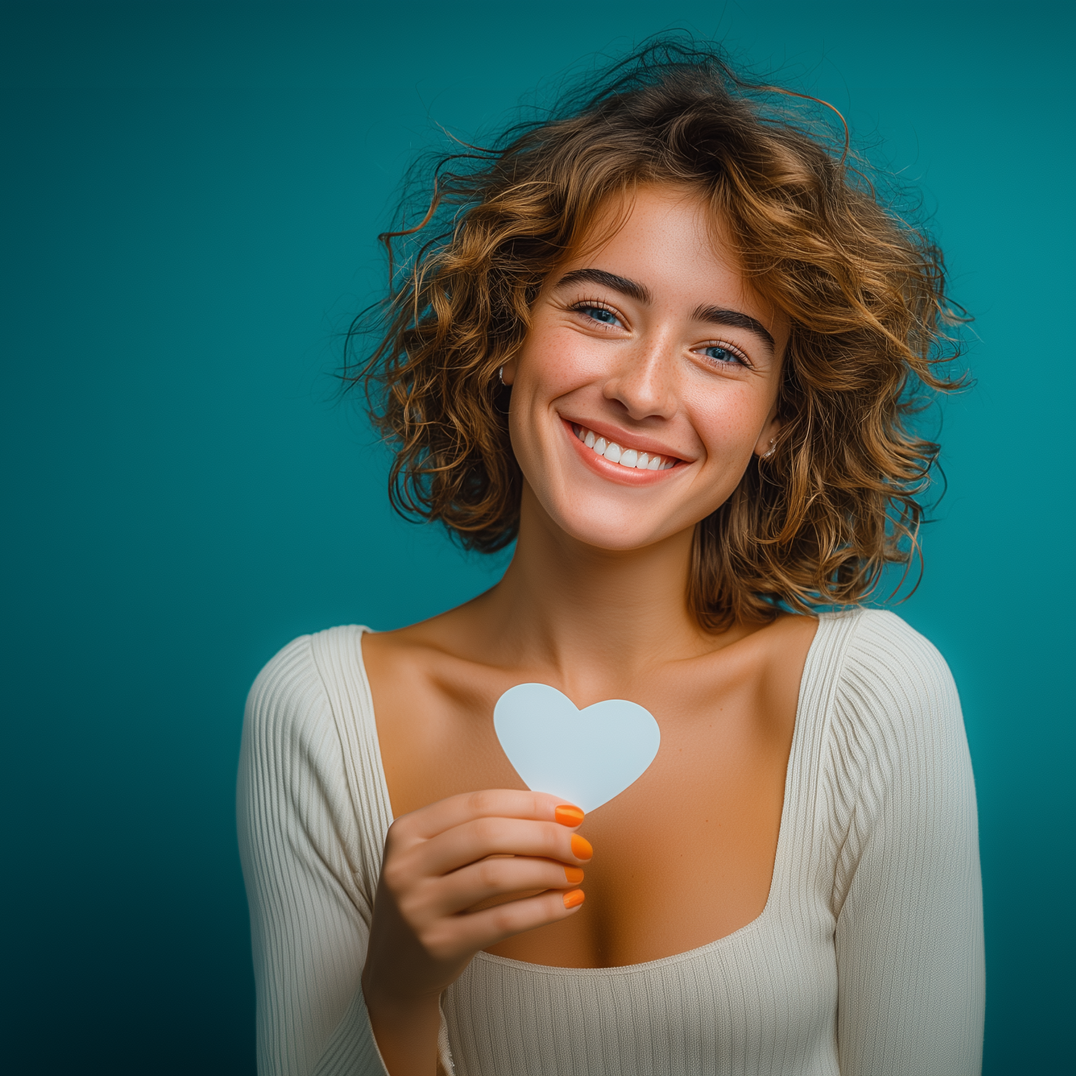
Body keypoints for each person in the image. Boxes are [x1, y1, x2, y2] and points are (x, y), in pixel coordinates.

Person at [237, 40, 985, 1076]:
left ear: (776, 418)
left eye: (721, 349)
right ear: (507, 333)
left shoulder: (873, 701)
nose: (641, 388)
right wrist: (396, 987)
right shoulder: (317, 711)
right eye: (597, 311)